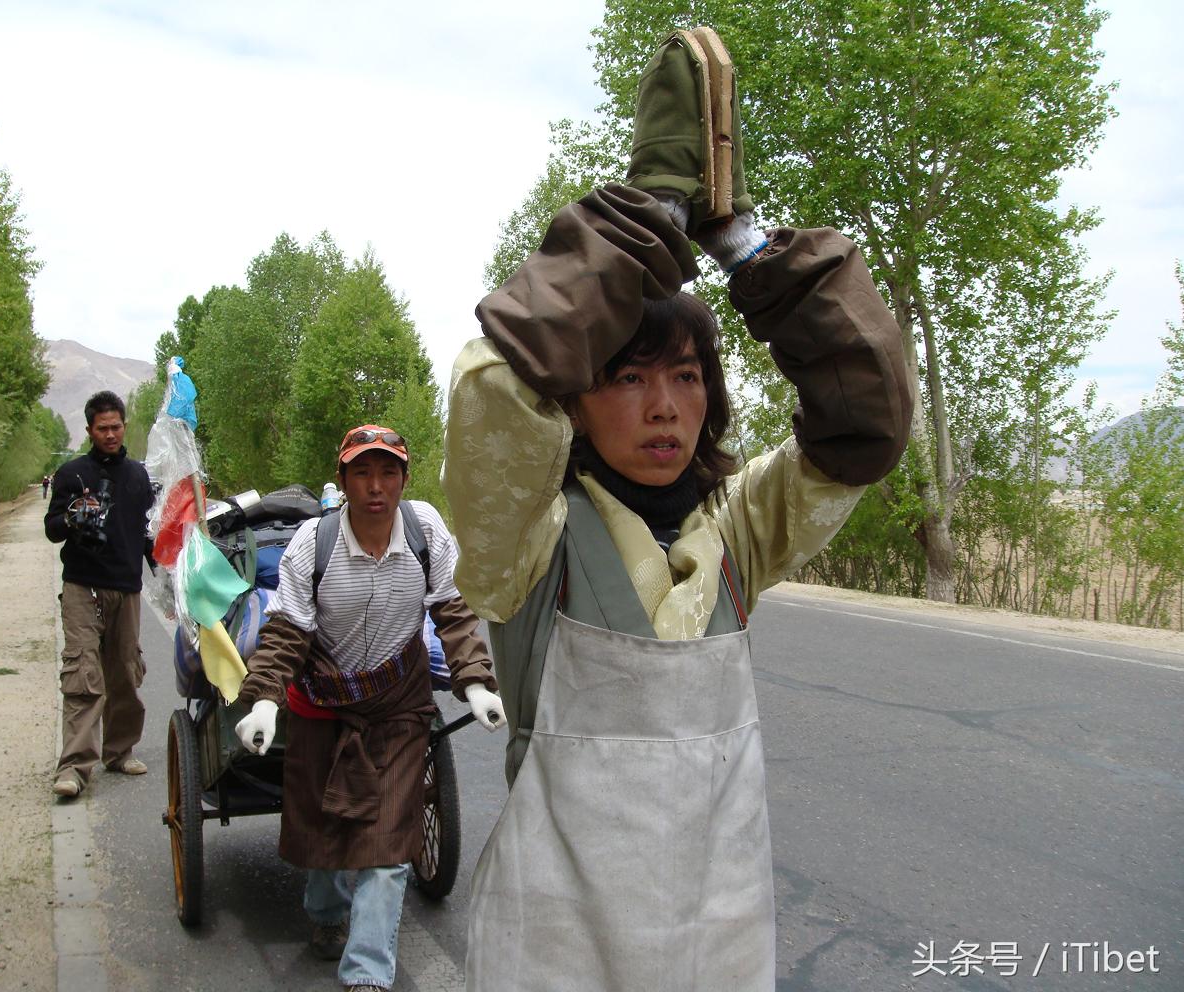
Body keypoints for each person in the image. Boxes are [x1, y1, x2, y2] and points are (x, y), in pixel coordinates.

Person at [442, 27, 912, 992]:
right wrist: (648, 221)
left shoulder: (739, 527)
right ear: (574, 398)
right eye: (625, 377)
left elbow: (865, 423)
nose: (663, 405)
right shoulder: (528, 537)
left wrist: (746, 252)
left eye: (686, 375)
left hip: (719, 938)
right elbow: (494, 385)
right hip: (554, 947)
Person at [233, 424, 505, 992]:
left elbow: (453, 613)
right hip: (322, 702)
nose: (375, 486)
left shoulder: (426, 531)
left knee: (388, 843)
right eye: (362, 472)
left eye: (388, 471)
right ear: (343, 480)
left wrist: (475, 683)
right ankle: (327, 915)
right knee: (324, 826)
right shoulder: (314, 542)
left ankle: (366, 973)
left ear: (405, 478)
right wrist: (263, 701)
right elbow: (286, 631)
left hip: (396, 703)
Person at [45, 390, 155, 799]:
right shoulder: (71, 474)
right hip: (81, 586)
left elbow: (149, 535)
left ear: (124, 426)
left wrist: (176, 576)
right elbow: (52, 528)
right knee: (83, 673)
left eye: (116, 426)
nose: (110, 434)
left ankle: (120, 750)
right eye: (102, 428)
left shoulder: (139, 477)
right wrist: (73, 516)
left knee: (125, 672)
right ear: (90, 430)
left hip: (125, 589)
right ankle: (74, 767)